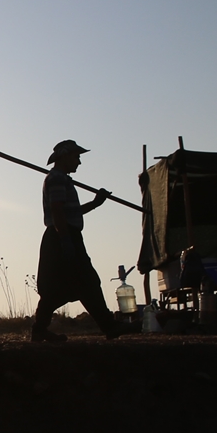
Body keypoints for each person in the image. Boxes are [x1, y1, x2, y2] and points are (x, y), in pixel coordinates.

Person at [31, 140, 134, 342]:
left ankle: (40, 329)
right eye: (76, 157)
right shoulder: (57, 179)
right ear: (65, 157)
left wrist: (95, 203)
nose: (79, 162)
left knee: (68, 285)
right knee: (86, 281)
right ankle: (108, 326)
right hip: (62, 235)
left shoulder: (61, 179)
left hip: (63, 234)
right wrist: (66, 240)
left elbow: (69, 211)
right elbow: (57, 211)